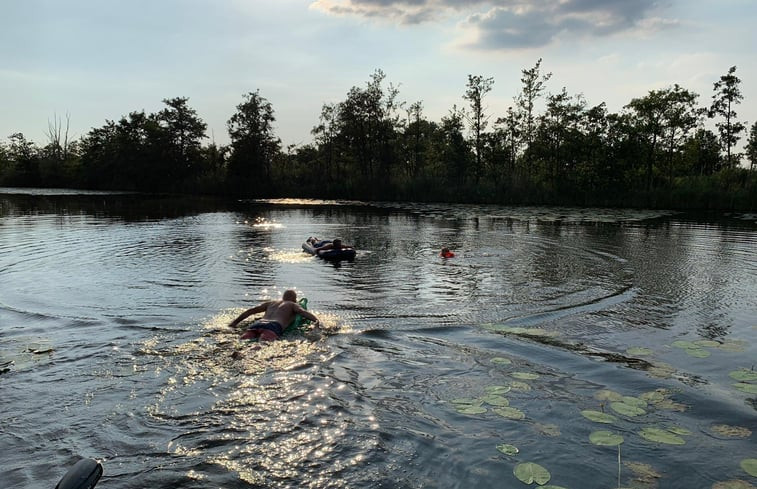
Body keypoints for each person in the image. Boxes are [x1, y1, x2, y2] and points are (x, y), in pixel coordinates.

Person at [229, 289, 319, 341]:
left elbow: (251, 311)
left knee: (242, 341)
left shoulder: (271, 303)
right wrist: (316, 321)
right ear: (294, 299)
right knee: (262, 345)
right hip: (273, 326)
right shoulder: (293, 304)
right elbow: (303, 312)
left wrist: (234, 323)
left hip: (257, 324)